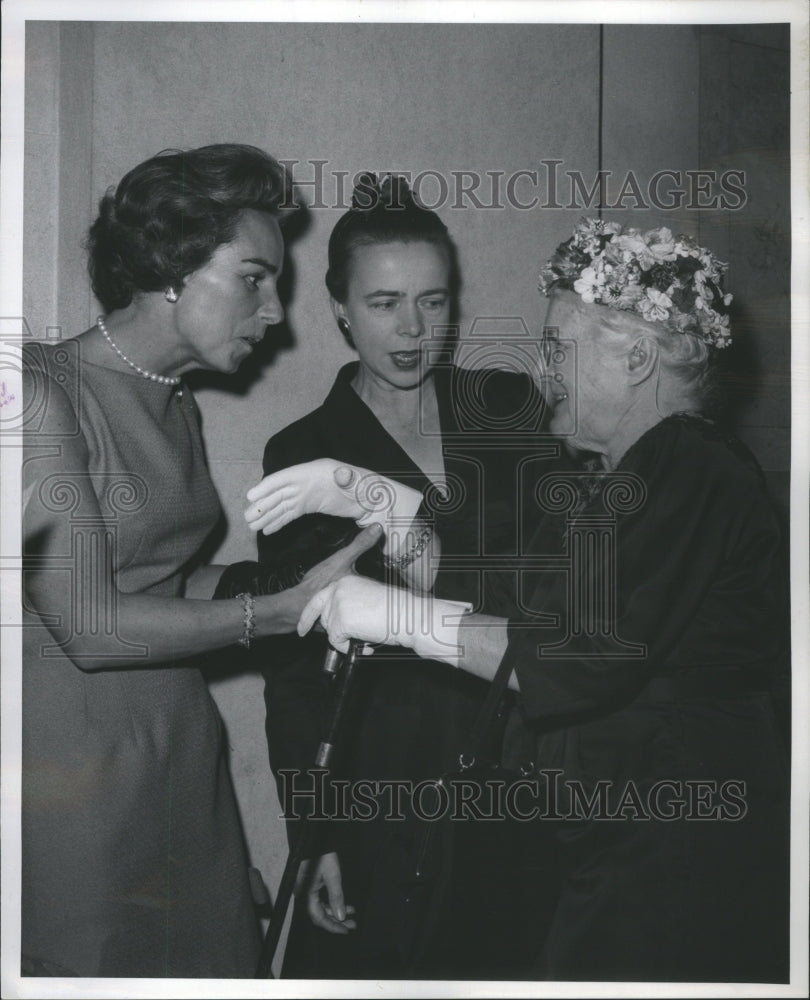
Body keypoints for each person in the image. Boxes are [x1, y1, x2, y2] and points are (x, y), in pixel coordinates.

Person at [288, 218, 791, 982]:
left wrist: (397, 617)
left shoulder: (688, 463)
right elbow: (527, 611)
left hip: (674, 846)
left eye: (560, 346)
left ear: (636, 357)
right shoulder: (638, 473)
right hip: (625, 838)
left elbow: (571, 656)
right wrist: (400, 515)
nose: (544, 370)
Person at [20, 144, 381, 978]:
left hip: (179, 762)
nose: (277, 313)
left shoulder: (174, 398)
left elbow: (169, 582)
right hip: (72, 782)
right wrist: (279, 614)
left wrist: (312, 583)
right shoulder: (36, 394)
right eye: (254, 279)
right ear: (174, 269)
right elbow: (93, 626)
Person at [245, 174, 558, 978]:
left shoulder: (508, 404)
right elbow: (293, 669)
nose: (414, 329)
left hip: (521, 761)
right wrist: (316, 836)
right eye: (384, 303)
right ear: (340, 308)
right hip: (383, 779)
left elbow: (557, 586)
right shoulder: (302, 450)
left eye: (434, 300)